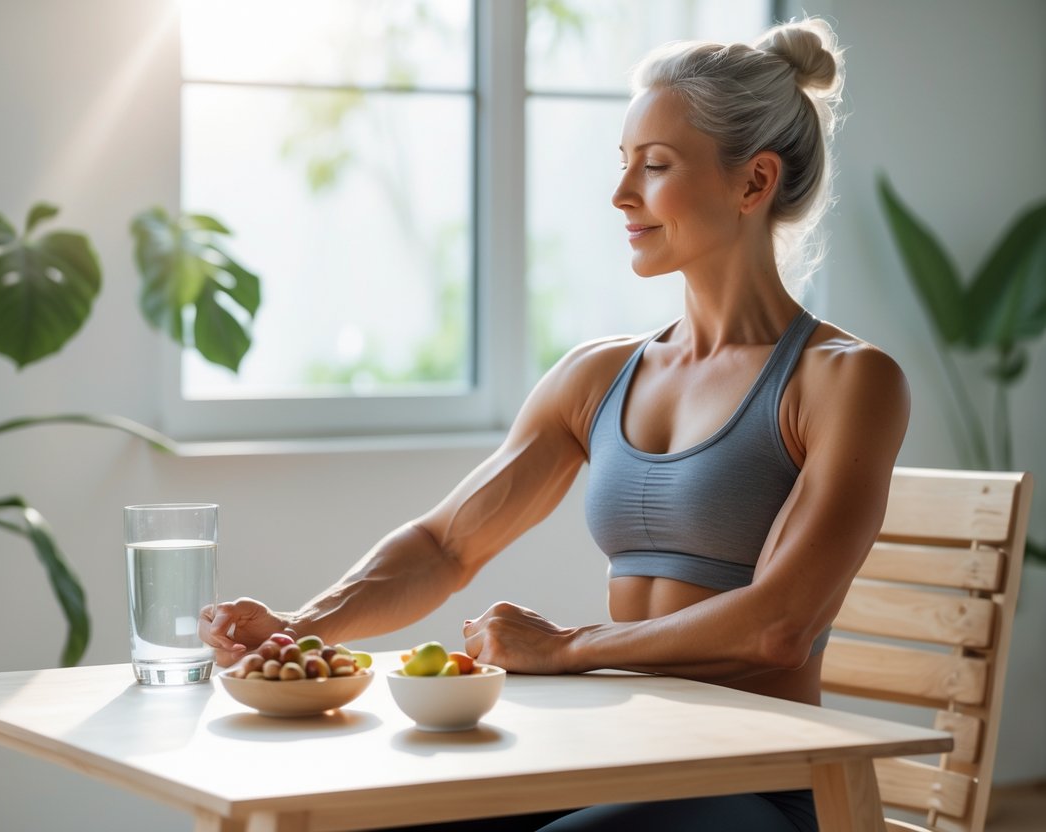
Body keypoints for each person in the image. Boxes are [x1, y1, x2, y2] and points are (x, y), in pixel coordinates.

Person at [200, 17, 908, 832]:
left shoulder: (844, 381)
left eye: (655, 166)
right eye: (622, 165)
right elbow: (444, 546)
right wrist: (300, 626)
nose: (620, 195)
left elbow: (779, 628)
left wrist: (566, 648)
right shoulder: (597, 376)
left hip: (759, 783)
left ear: (752, 184)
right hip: (609, 758)